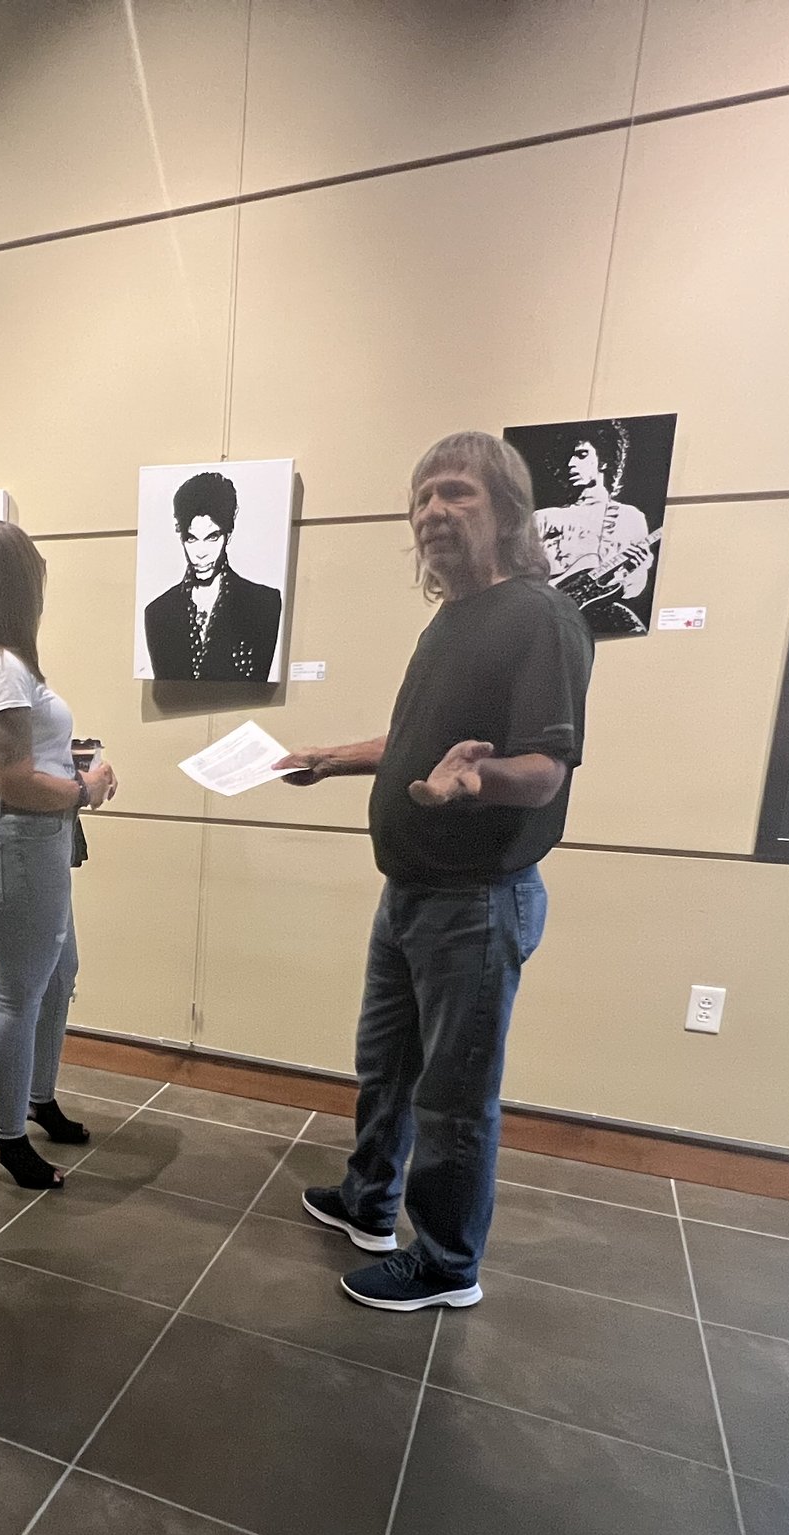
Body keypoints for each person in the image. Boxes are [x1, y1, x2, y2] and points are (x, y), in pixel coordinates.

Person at [275, 431, 593, 1311]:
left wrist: (477, 779)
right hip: (411, 893)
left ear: (507, 511)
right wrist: (331, 757)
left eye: (456, 494)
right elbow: (414, 744)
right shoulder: (452, 619)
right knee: (385, 1066)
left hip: (477, 902)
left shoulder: (540, 618)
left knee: (455, 1099)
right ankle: (369, 1201)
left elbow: (546, 768)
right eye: (422, 499)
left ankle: (448, 1262)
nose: (433, 513)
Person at [0, 520, 117, 1190]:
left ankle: (35, 1098)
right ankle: (5, 1132)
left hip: (27, 838)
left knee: (56, 972)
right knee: (18, 993)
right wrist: (87, 787)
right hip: (18, 836)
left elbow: (18, 760)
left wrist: (72, 770)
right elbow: (15, 778)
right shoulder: (1, 667)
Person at [140, 469, 283, 682]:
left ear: (228, 534)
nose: (200, 552)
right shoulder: (158, 612)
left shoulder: (263, 603)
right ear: (181, 536)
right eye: (191, 539)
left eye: (212, 537)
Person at [533, 422, 655, 637]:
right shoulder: (544, 517)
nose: (570, 464)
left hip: (602, 622)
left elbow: (632, 590)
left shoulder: (630, 517)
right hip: (547, 623)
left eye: (581, 455)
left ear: (604, 460)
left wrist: (632, 571)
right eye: (567, 456)